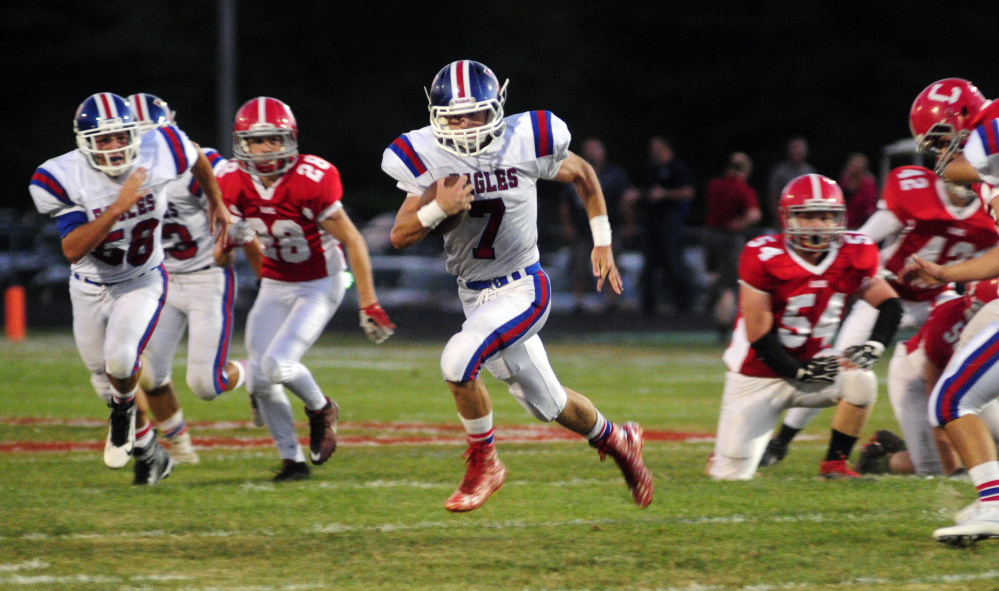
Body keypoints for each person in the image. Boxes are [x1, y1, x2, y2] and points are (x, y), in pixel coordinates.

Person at [382, 59, 653, 512]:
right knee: (548, 404)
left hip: (523, 287)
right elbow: (399, 234)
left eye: (477, 114)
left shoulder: (525, 139)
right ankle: (618, 438)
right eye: (456, 116)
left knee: (458, 359)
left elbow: (585, 174)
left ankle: (486, 463)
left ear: (498, 109)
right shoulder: (425, 155)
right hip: (474, 294)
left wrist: (602, 241)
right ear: (436, 115)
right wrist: (437, 206)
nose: (467, 126)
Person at [28, 92, 230, 485]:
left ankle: (122, 418)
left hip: (142, 280)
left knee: (120, 361)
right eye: (103, 140)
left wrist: (216, 202)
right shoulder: (61, 176)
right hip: (88, 286)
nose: (114, 146)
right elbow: (72, 249)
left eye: (120, 136)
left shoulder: (159, 149)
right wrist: (118, 207)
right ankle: (151, 451)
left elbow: (196, 155)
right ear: (84, 142)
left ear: (133, 133)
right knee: (101, 377)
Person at [761, 165, 999, 467]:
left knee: (966, 358)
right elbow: (859, 241)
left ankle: (966, 435)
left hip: (937, 297)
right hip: (887, 295)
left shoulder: (989, 211)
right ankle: (782, 441)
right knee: (840, 363)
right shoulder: (915, 193)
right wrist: (872, 273)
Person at [217, 96, 395, 482]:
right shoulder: (230, 180)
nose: (265, 149)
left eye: (273, 140)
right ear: (241, 143)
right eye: (256, 141)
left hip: (319, 282)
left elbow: (353, 240)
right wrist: (245, 261)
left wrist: (368, 302)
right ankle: (291, 460)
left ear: (290, 140)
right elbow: (243, 237)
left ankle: (321, 408)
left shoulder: (311, 178)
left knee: (277, 364)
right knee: (262, 379)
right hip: (277, 281)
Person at [707, 174, 902, 481]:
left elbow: (890, 304)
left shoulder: (854, 252)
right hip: (757, 374)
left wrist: (875, 345)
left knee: (861, 380)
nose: (818, 225)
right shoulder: (763, 254)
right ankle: (726, 454)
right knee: (730, 476)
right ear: (788, 218)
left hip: (813, 363)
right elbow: (758, 334)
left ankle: (835, 465)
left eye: (826, 217)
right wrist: (797, 371)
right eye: (808, 216)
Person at [126, 93, 252, 465]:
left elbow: (233, 220)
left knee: (205, 385)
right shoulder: (117, 175)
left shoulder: (194, 167)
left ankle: (255, 371)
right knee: (148, 372)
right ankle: (179, 445)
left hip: (205, 278)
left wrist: (227, 244)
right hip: (162, 281)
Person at [905, 78, 999, 543]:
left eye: (942, 141)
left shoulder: (992, 129)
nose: (940, 157)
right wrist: (947, 274)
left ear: (963, 117)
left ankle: (996, 504)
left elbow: (989, 136)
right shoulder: (990, 179)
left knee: (952, 398)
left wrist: (976, 154)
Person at [856, 280, 999, 476]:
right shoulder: (946, 320)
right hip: (916, 381)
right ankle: (881, 458)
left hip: (962, 383)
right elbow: (938, 399)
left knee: (994, 445)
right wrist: (952, 471)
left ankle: (903, 446)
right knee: (934, 468)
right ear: (977, 307)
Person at [558, 137, 637, 313]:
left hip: (609, 228)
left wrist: (628, 223)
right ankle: (579, 302)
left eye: (596, 148)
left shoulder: (615, 174)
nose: (592, 152)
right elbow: (565, 203)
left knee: (611, 264)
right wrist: (568, 225)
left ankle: (611, 302)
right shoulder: (575, 171)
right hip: (583, 229)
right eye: (589, 148)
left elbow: (626, 202)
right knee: (579, 266)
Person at [702, 152, 761, 338]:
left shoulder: (714, 185)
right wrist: (742, 222)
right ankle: (723, 326)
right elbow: (753, 214)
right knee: (729, 285)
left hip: (710, 235)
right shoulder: (743, 189)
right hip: (730, 238)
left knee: (714, 275)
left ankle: (712, 293)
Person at [639, 136, 695, 316]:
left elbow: (688, 192)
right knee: (650, 263)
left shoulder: (677, 167)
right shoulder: (652, 168)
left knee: (674, 261)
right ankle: (649, 307)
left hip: (670, 220)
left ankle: (684, 305)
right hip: (652, 220)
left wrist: (665, 194)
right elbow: (646, 191)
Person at [765, 137, 816, 228]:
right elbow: (772, 196)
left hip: (805, 216)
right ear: (788, 150)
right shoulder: (779, 171)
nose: (797, 151)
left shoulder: (810, 171)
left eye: (800, 148)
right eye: (795, 148)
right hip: (784, 215)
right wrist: (778, 217)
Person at [838, 153, 878, 230]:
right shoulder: (844, 180)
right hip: (842, 223)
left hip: (859, 225)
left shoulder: (868, 184)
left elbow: (870, 208)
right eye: (853, 165)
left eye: (857, 166)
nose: (854, 169)